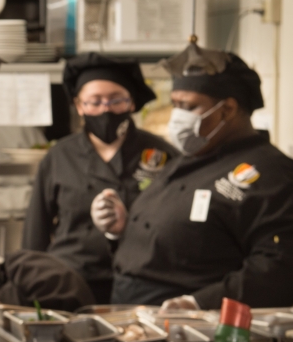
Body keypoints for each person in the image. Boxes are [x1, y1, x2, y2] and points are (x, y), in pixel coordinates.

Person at [98, 53, 293, 311]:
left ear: (227, 109)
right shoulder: (186, 160)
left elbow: (288, 267)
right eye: (175, 105)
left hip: (195, 325)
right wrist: (122, 228)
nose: (178, 118)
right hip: (134, 314)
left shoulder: (275, 174)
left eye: (189, 107)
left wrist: (201, 303)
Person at [23, 53, 179, 302]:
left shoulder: (161, 153)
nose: (105, 109)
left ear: (131, 103)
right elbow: (36, 228)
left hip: (141, 281)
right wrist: (31, 278)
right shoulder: (60, 155)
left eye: (116, 100)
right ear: (79, 105)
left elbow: (176, 223)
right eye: (94, 102)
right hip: (70, 280)